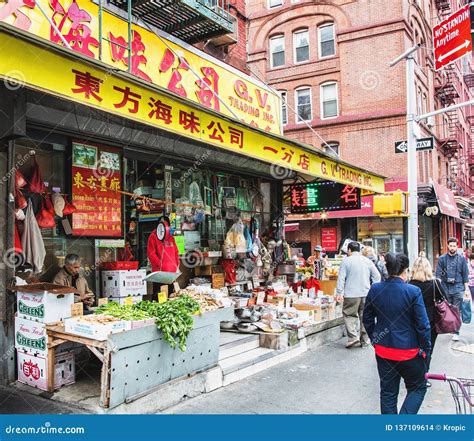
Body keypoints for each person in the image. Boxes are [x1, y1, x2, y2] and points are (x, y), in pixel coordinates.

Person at [363, 253, 431, 414]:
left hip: (384, 349)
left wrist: (375, 338)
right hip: (409, 351)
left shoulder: (375, 289)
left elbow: (367, 318)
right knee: (418, 388)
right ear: (405, 271)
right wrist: (425, 349)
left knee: (388, 392)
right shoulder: (413, 291)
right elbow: (423, 325)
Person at [336, 241, 381, 348]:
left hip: (351, 294)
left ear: (349, 250)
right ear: (359, 250)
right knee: (364, 316)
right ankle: (365, 340)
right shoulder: (367, 261)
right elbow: (377, 276)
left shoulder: (346, 261)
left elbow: (341, 278)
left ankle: (353, 337)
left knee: (349, 314)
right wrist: (373, 288)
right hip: (366, 293)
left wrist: (339, 293)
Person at [409, 256, 445, 377]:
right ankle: (424, 374)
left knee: (414, 348)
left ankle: (414, 372)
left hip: (412, 321)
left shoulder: (409, 284)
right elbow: (443, 298)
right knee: (428, 348)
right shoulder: (435, 283)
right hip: (431, 320)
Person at [435, 237, 470, 341]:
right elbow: (438, 275)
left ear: (457, 246)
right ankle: (449, 329)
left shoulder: (462, 259)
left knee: (456, 310)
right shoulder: (442, 259)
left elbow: (465, 275)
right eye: (451, 246)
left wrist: (466, 290)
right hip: (445, 288)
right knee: (446, 310)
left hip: (458, 288)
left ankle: (456, 331)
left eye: (454, 246)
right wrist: (438, 288)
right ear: (448, 246)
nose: (452, 248)